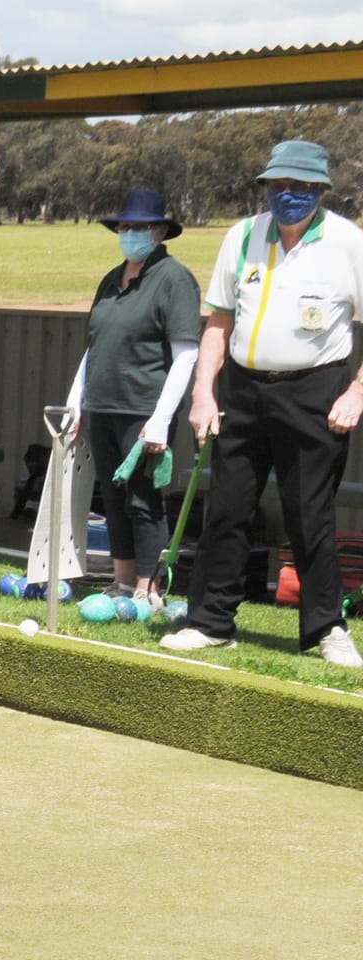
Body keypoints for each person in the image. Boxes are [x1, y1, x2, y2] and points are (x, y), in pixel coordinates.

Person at [166, 140, 363, 667]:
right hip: (242, 388)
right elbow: (219, 321)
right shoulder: (243, 235)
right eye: (278, 187)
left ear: (321, 191)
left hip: (315, 391)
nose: (287, 197)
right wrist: (203, 392)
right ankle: (209, 623)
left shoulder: (349, 242)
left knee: (309, 514)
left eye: (300, 188)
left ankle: (326, 629)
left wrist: (356, 392)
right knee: (227, 509)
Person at [60, 188, 202, 606]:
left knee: (143, 500)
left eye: (139, 227)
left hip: (142, 408)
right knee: (114, 497)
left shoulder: (174, 279)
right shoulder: (111, 278)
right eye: (124, 226)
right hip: (100, 406)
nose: (129, 233)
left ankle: (148, 587)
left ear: (160, 231)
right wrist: (75, 399)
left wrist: (160, 419)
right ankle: (121, 582)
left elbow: (186, 353)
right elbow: (95, 343)